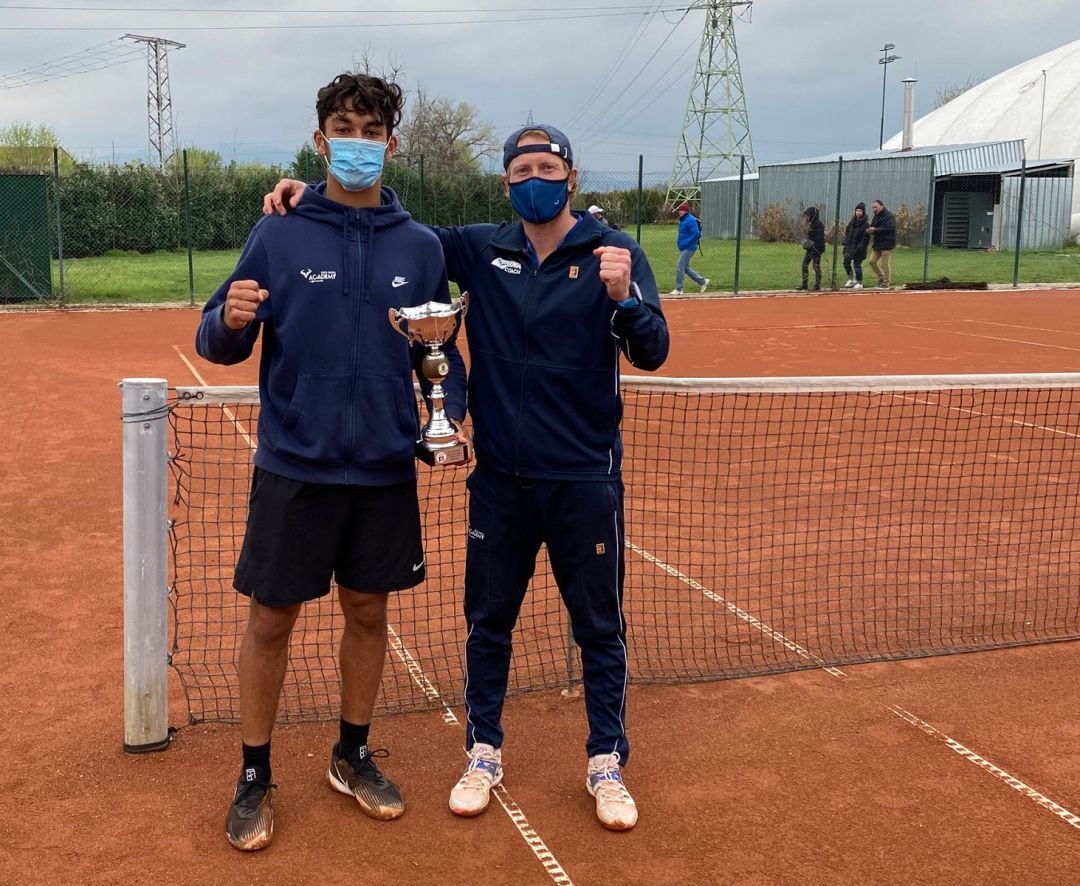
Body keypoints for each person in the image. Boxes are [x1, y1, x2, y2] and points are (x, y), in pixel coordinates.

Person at [265, 123, 669, 832]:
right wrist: (314, 197)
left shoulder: (615, 252)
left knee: (599, 628)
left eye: (547, 167)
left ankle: (606, 761)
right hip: (500, 480)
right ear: (506, 182)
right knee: (488, 624)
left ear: (571, 176)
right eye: (520, 170)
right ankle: (483, 751)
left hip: (583, 478)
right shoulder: (481, 248)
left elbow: (654, 350)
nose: (533, 179)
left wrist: (627, 297)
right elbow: (394, 230)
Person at [196, 72, 466, 852]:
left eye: (371, 129)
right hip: (295, 463)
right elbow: (221, 336)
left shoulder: (419, 246)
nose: (357, 142)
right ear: (320, 140)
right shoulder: (278, 230)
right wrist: (227, 319)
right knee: (271, 618)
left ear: (391, 141)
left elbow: (438, 350)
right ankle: (254, 773)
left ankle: (350, 754)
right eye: (343, 128)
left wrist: (456, 417)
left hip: (382, 467)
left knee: (369, 612)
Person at [671, 201, 709, 295]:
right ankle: (702, 282)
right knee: (685, 268)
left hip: (689, 247)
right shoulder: (683, 220)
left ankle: (679, 289)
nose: (680, 212)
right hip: (685, 247)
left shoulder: (690, 220)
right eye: (680, 210)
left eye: (682, 210)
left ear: (686, 211)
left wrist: (686, 242)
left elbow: (696, 233)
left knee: (680, 266)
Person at [866, 198, 897, 290]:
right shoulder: (876, 216)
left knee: (885, 264)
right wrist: (871, 230)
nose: (874, 209)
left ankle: (886, 283)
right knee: (871, 261)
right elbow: (873, 226)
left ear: (882, 206)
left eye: (876, 207)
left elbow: (890, 229)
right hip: (878, 244)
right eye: (873, 208)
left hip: (887, 243)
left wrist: (876, 230)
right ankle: (881, 277)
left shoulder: (889, 216)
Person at [841, 202, 870, 289]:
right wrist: (846, 245)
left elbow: (865, 238)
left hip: (859, 250)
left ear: (863, 212)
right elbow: (847, 233)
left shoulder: (865, 224)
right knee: (846, 262)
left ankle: (859, 282)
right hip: (850, 247)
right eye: (857, 211)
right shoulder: (852, 222)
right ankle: (851, 279)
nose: (858, 212)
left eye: (860, 211)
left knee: (857, 265)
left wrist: (858, 248)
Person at [798, 206, 825, 291]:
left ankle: (817, 285)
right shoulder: (811, 225)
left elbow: (818, 239)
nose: (806, 218)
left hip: (817, 249)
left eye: (808, 216)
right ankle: (804, 284)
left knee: (816, 266)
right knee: (804, 265)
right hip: (811, 249)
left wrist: (813, 246)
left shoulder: (818, 225)